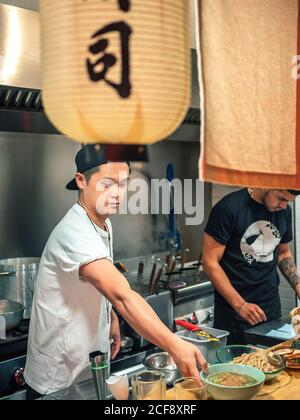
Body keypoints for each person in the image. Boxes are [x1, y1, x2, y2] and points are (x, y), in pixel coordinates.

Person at [24, 144, 207, 399]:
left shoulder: (103, 223)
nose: (117, 193)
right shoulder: (74, 233)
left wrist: (110, 318)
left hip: (86, 370)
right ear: (81, 180)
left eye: (123, 184)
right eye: (107, 184)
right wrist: (175, 344)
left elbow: (102, 286)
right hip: (56, 382)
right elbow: (122, 296)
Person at [203, 187, 300, 345]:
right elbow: (209, 262)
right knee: (237, 368)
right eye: (281, 198)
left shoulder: (284, 211)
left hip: (271, 310)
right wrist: (240, 305)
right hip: (235, 315)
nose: (284, 205)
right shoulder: (228, 208)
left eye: (288, 201)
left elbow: (283, 253)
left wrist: (298, 286)